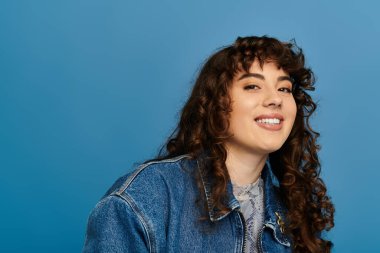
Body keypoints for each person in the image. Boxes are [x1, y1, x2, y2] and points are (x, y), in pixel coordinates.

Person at [83, 35, 335, 253]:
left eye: (284, 89)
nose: (275, 100)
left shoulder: (294, 212)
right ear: (216, 105)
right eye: (252, 86)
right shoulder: (146, 200)